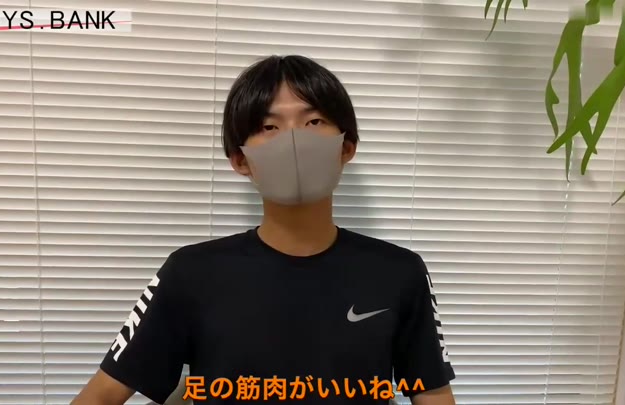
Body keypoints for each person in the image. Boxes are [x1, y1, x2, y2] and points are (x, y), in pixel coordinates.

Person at [71, 54, 456, 405]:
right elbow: (103, 394)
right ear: (240, 159)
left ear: (346, 147)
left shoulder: (398, 272)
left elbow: (434, 395)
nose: (294, 140)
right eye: (269, 126)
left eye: (314, 121)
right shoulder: (190, 273)